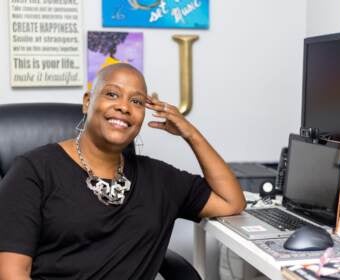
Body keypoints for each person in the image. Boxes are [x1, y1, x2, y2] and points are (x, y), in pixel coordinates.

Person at [0, 63, 246, 279]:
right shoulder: (34, 170)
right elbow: (12, 273)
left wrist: (190, 133)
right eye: (112, 94)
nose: (124, 107)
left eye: (137, 101)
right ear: (88, 102)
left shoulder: (160, 180)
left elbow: (231, 202)